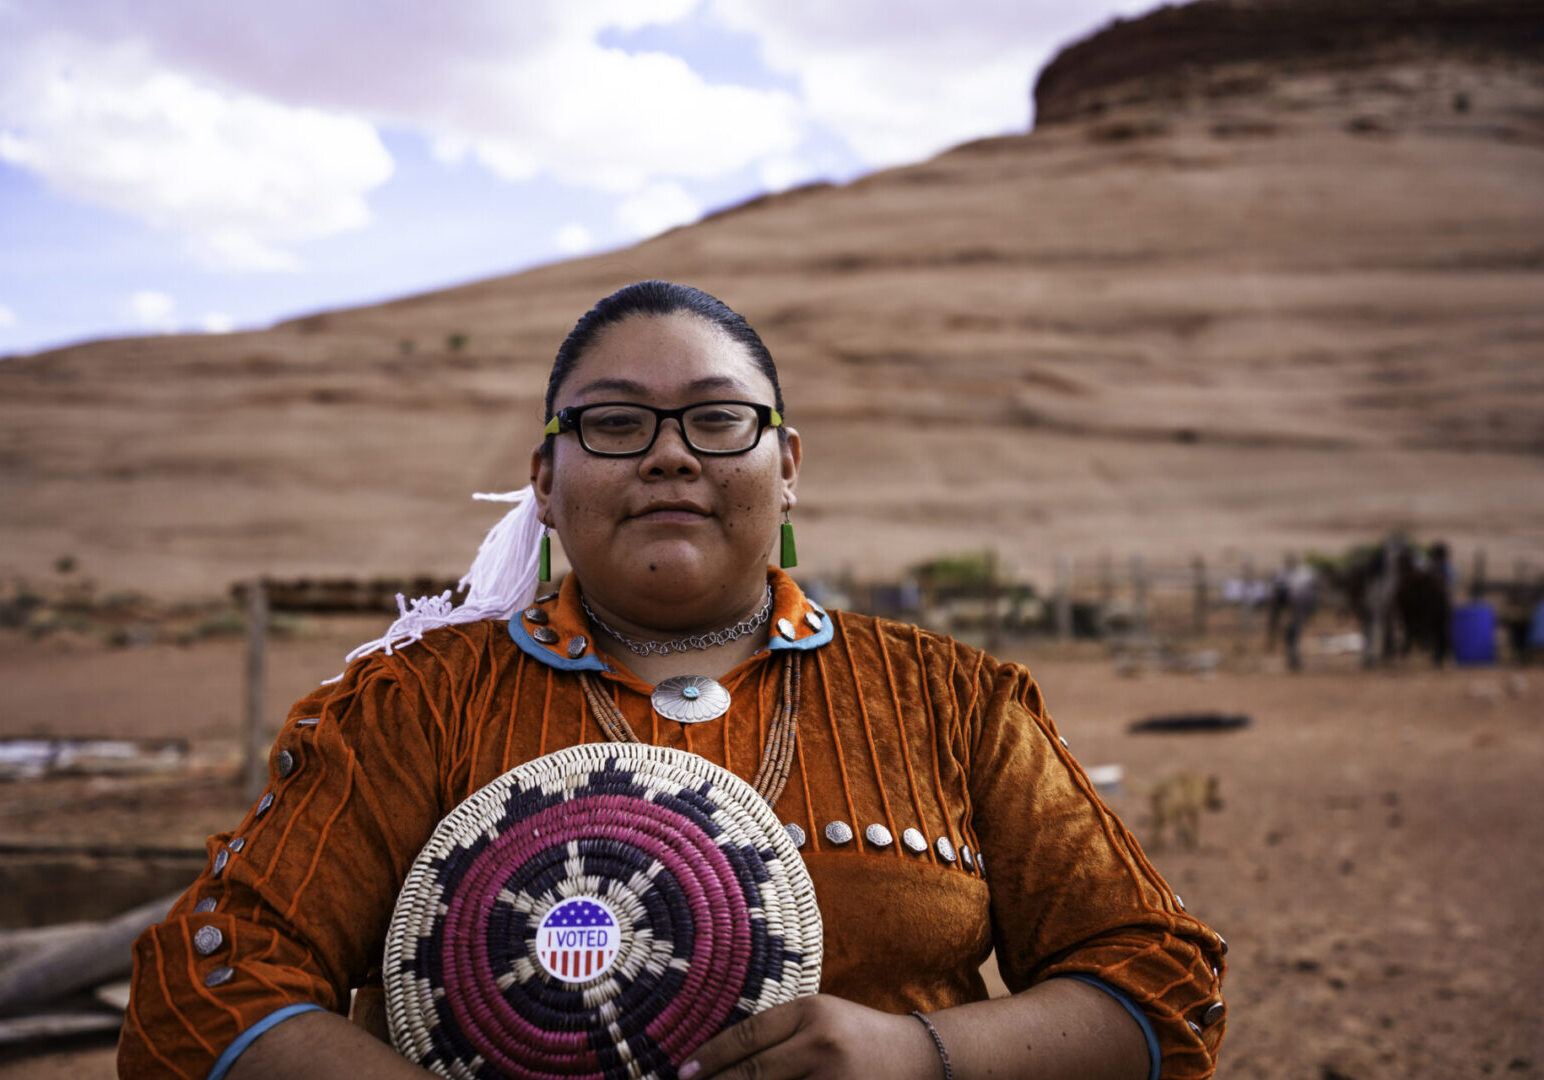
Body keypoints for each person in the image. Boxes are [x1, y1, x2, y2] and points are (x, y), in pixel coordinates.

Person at [119, 282, 1226, 1080]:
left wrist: (921, 1054)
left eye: (714, 418)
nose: (667, 455)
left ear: (784, 466)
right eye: (613, 424)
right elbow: (198, 997)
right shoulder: (416, 704)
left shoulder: (951, 701)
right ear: (544, 482)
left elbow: (1161, 982)